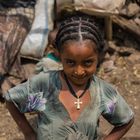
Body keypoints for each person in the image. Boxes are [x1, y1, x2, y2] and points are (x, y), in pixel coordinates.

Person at [4, 13, 134, 140]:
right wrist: (29, 134)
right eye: (70, 62)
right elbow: (11, 100)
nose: (79, 71)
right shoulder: (44, 83)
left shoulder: (102, 91)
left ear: (98, 58)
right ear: (60, 56)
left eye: (87, 62)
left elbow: (126, 120)